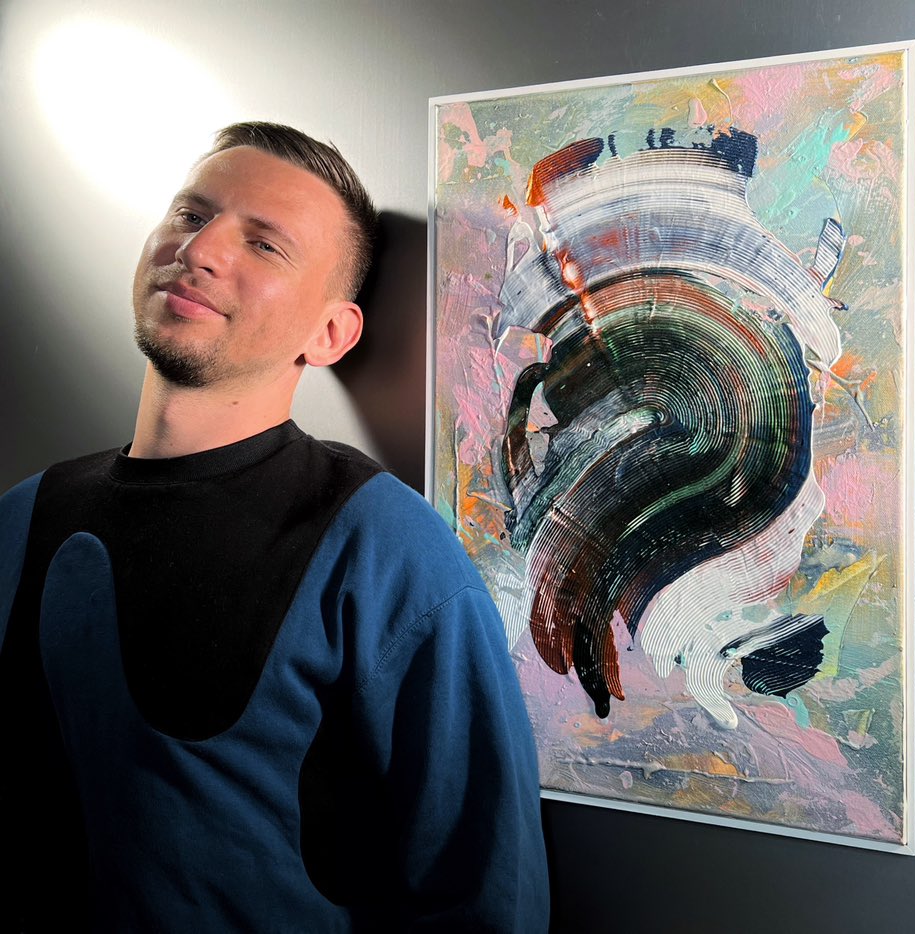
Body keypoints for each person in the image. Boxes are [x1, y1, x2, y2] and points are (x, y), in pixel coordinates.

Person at [0, 122, 550, 932]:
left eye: (264, 245)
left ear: (330, 334)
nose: (200, 249)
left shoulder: (384, 548)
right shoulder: (22, 516)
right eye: (191, 214)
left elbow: (487, 899)